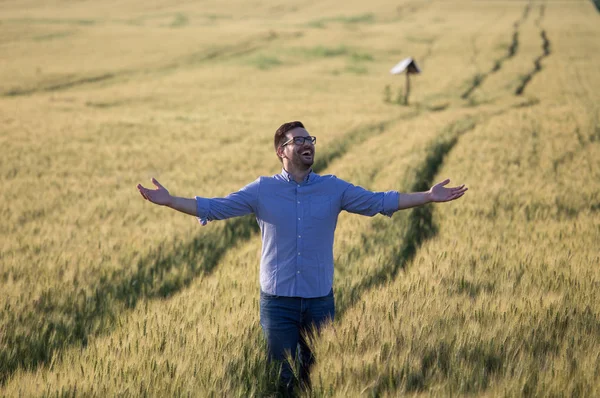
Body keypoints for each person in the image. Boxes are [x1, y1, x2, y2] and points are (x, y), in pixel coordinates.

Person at [136, 121, 467, 395]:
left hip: (320, 300)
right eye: (300, 140)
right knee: (282, 379)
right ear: (282, 151)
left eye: (310, 139)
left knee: (317, 376)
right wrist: (169, 201)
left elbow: (378, 201)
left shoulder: (333, 188)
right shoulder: (262, 189)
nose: (308, 144)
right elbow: (214, 207)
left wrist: (428, 196)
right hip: (277, 302)